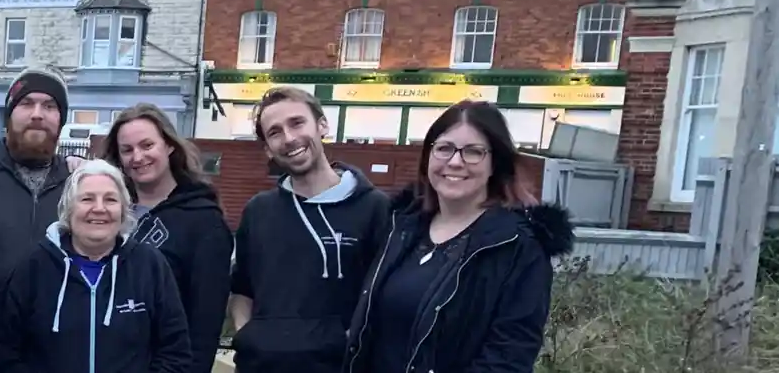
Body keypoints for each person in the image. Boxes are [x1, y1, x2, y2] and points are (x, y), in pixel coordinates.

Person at [345, 100, 572, 373]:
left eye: (473, 152)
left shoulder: (518, 247)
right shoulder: (399, 227)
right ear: (428, 156)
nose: (455, 162)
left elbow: (508, 358)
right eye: (444, 148)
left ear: (495, 163)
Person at [229, 86, 392, 373]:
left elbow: (385, 297)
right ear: (267, 148)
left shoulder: (375, 208)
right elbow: (243, 289)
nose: (289, 138)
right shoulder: (258, 211)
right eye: (275, 132)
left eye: (297, 123)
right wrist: (247, 336)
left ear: (322, 125)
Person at [0, 160, 192, 373]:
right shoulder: (34, 267)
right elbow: (7, 349)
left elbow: (174, 351)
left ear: (123, 211)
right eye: (87, 199)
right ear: (69, 209)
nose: (99, 208)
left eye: (110, 199)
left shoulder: (149, 266)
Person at [98, 103, 234, 373]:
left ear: (169, 145)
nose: (138, 157)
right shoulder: (108, 212)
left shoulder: (203, 221)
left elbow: (205, 320)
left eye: (147, 145)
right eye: (127, 150)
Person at [0, 68, 76, 285]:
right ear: (9, 116)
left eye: (49, 106)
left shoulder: (76, 183)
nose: (37, 114)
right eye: (26, 103)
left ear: (61, 120)